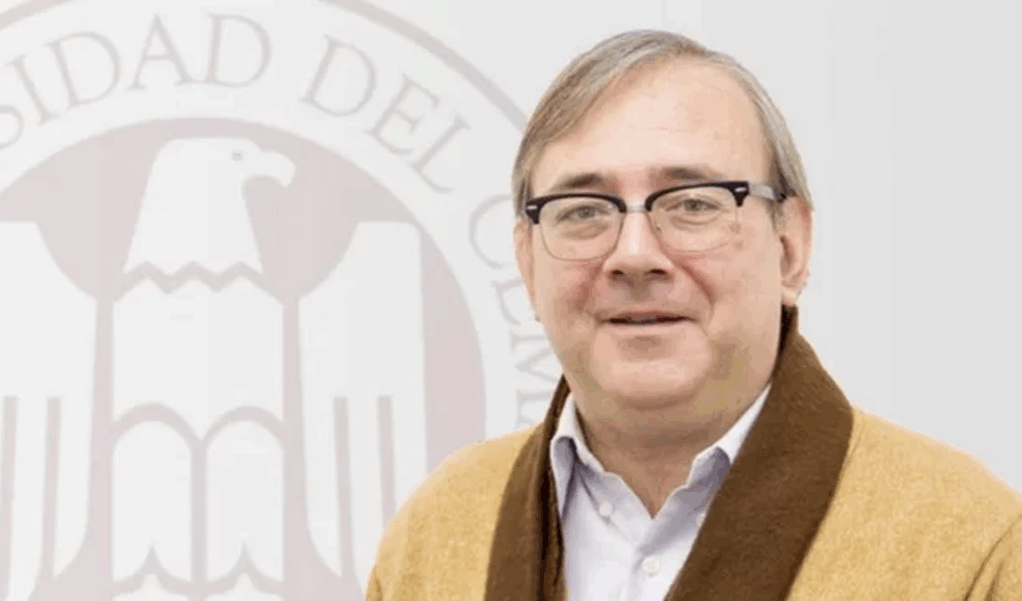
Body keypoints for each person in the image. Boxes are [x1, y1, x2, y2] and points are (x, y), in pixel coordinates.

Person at [366, 29, 1022, 600]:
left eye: (693, 203)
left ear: (790, 248)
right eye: (583, 210)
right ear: (528, 263)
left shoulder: (970, 544)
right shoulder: (440, 531)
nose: (633, 255)